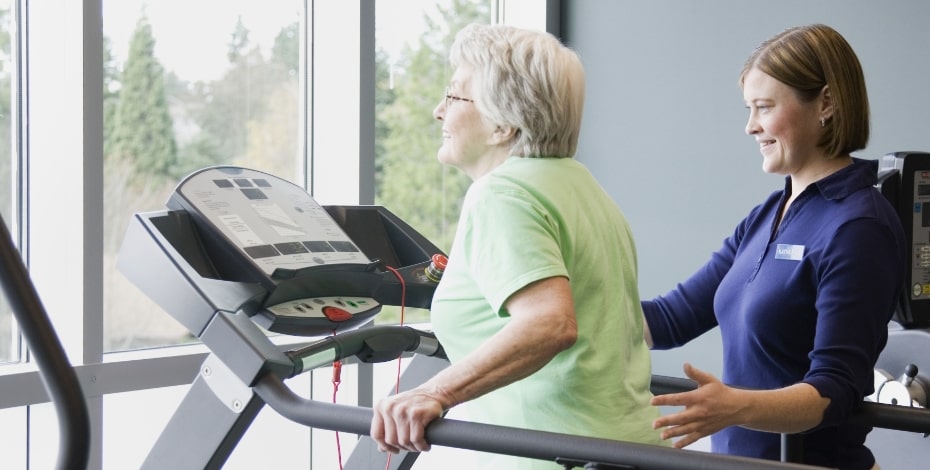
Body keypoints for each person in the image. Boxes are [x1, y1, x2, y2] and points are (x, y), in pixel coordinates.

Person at [370, 23, 667, 469]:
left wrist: (435, 391)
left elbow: (550, 324)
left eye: (453, 96)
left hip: (562, 457)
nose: (438, 111)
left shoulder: (501, 194)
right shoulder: (582, 186)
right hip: (629, 450)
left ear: (502, 124)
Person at [642, 24, 906, 470]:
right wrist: (564, 316)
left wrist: (737, 406)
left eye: (764, 107)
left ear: (825, 103)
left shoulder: (860, 226)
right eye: (749, 108)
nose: (750, 127)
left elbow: (833, 389)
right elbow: (670, 319)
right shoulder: (771, 213)